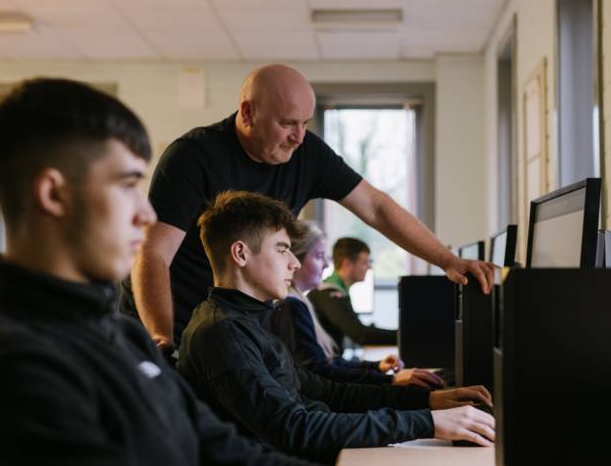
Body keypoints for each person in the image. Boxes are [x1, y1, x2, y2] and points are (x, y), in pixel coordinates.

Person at [0, 79, 310, 466]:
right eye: (126, 185)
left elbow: (222, 450)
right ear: (53, 194)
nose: (146, 214)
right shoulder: (11, 379)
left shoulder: (125, 336)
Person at [122, 63, 495, 354]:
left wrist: (447, 260)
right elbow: (153, 254)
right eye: (287, 124)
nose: (298, 137)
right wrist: (161, 337)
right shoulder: (193, 157)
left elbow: (376, 207)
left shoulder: (307, 153)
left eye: (305, 123)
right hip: (169, 319)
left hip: (234, 323)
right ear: (247, 113)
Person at [178, 190, 495, 463]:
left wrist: (428, 402)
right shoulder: (223, 333)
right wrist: (427, 422)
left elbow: (328, 391)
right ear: (240, 253)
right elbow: (294, 429)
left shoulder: (246, 322)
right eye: (282, 249)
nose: (294, 263)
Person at [268, 220, 443, 388]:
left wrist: (376, 367)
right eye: (320, 256)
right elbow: (358, 336)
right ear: (295, 261)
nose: (327, 264)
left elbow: (328, 363)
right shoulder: (309, 301)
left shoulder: (302, 301)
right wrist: (389, 379)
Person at [309, 237, 398, 348]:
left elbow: (359, 329)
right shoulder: (329, 294)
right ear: (347, 264)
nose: (369, 267)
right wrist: (403, 336)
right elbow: (360, 334)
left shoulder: (334, 291)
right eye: (364, 262)